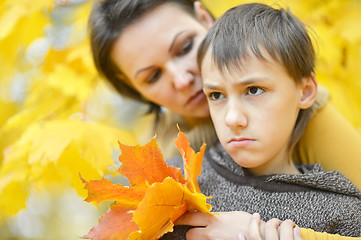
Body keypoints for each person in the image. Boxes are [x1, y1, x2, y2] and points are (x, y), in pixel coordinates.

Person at [89, 0, 361, 190]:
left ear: (205, 20)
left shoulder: (304, 117)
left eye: (185, 47)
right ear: (133, 88)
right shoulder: (159, 157)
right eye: (153, 76)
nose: (183, 80)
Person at [162, 3, 361, 239]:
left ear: (305, 91)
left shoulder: (343, 212)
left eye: (254, 90)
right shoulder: (175, 181)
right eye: (216, 95)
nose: (232, 118)